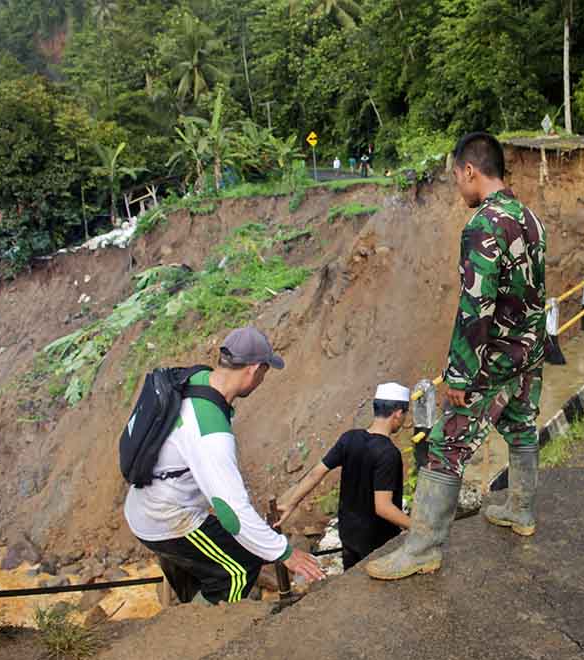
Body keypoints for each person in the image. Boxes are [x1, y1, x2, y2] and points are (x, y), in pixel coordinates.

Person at [366, 132, 546, 581]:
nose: (457, 188)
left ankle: (423, 547)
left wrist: (460, 375)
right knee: (521, 424)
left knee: (445, 446)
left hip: (493, 358)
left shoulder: (484, 225)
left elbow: (476, 305)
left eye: (456, 178)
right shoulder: (529, 218)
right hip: (529, 349)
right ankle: (521, 510)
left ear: (470, 171)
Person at [123, 327, 325, 605]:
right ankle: (214, 636)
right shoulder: (210, 433)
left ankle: (189, 614)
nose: (262, 379)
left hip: (146, 503)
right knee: (239, 569)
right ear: (254, 370)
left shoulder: (194, 378)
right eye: (265, 372)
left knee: (212, 567)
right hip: (164, 518)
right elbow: (232, 514)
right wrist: (286, 554)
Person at [276, 383, 412, 570]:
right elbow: (383, 507)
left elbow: (316, 473)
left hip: (348, 532)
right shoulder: (388, 453)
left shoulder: (349, 438)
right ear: (397, 413)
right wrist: (417, 527)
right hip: (377, 539)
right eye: (405, 414)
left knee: (352, 582)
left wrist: (291, 503)